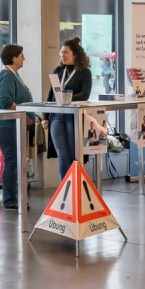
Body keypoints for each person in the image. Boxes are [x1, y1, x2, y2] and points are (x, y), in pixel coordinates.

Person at [0, 44, 35, 210]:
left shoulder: (14, 75)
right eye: (21, 55)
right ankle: (10, 200)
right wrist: (25, 116)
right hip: (5, 126)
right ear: (14, 57)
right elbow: (5, 101)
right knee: (12, 161)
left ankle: (14, 197)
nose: (24, 58)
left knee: (15, 161)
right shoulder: (7, 75)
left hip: (13, 126)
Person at [44, 36, 93, 181]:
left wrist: (66, 98)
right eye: (61, 53)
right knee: (62, 155)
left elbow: (84, 95)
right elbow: (51, 94)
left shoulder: (85, 72)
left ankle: (77, 185)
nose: (62, 56)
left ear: (75, 54)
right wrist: (45, 117)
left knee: (74, 154)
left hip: (74, 117)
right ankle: (65, 187)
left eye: (66, 53)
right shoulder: (58, 70)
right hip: (57, 116)